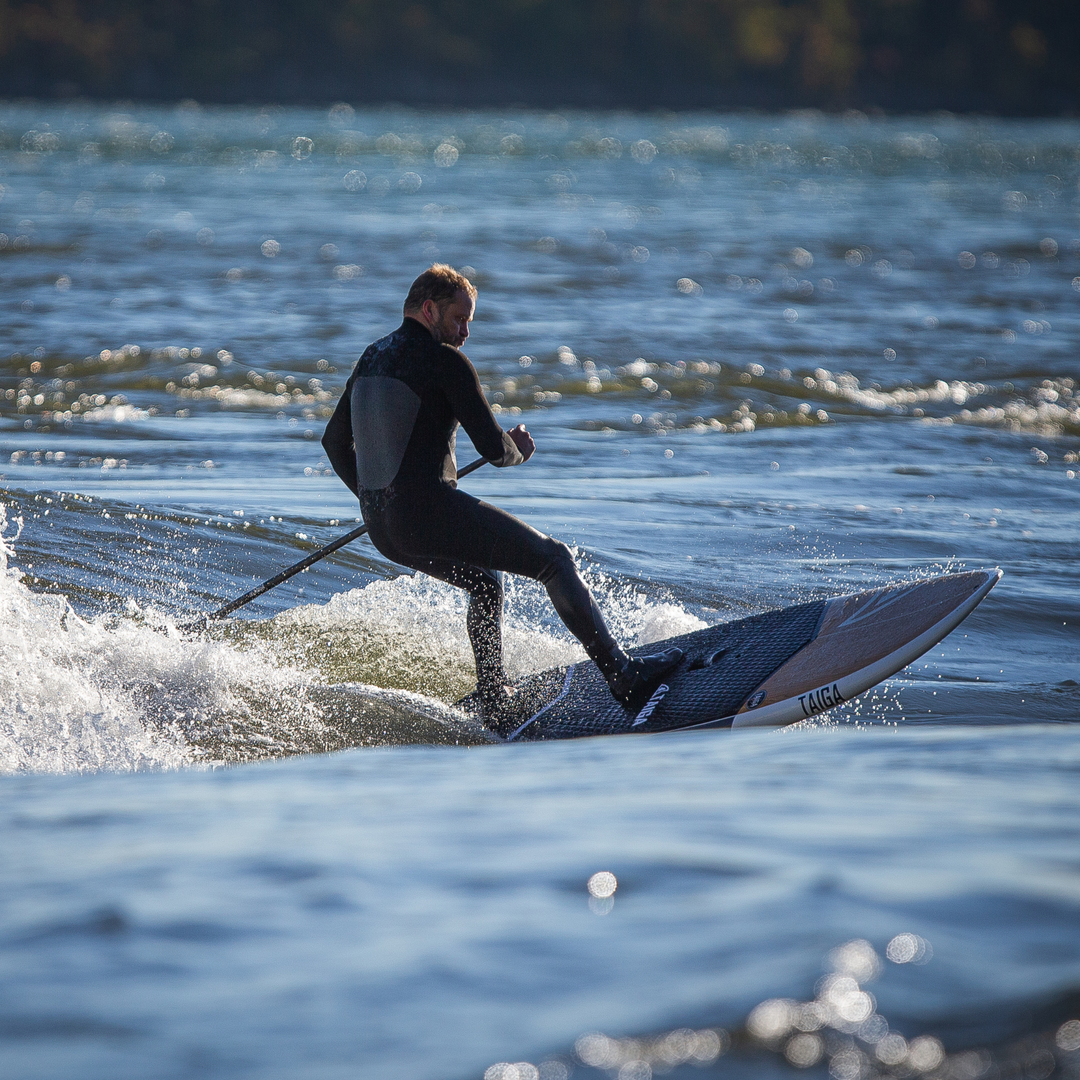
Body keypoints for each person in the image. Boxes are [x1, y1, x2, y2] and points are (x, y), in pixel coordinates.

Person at [322, 264, 681, 725]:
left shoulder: (369, 359)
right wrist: (518, 450)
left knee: (485, 582)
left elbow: (334, 442)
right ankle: (623, 675)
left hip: (383, 529)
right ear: (429, 310)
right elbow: (493, 449)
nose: (465, 332)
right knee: (555, 560)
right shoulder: (445, 361)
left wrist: (376, 497)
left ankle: (492, 693)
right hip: (424, 515)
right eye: (459, 319)